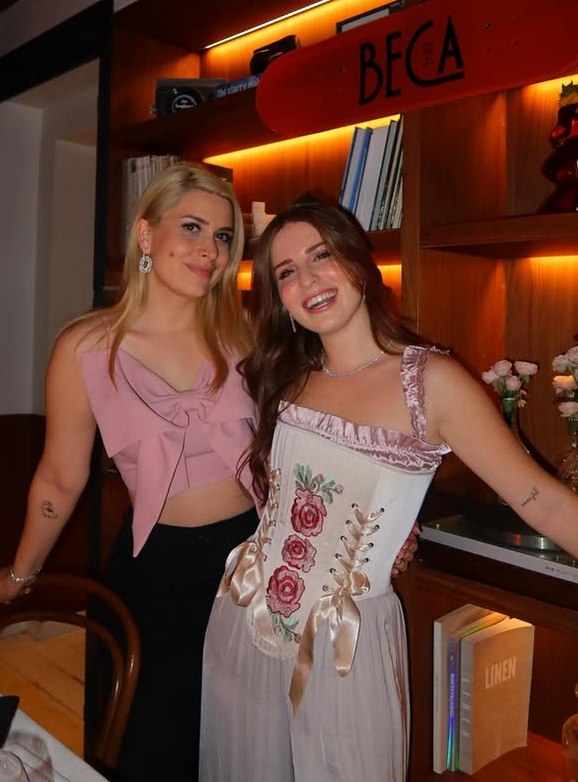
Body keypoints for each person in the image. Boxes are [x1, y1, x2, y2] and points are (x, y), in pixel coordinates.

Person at [0, 166, 415, 782]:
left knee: (254, 750)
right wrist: (19, 575)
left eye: (223, 237)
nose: (210, 250)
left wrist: (382, 528)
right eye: (192, 228)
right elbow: (60, 480)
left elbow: (323, 438)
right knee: (152, 747)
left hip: (256, 566)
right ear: (146, 235)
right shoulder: (85, 347)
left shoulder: (248, 337)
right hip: (154, 573)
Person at [198, 197, 578, 782]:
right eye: (287, 272)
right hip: (246, 617)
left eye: (321, 255)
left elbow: (543, 501)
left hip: (345, 649)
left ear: (358, 261)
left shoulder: (433, 382)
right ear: (280, 299)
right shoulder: (287, 372)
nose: (308, 280)